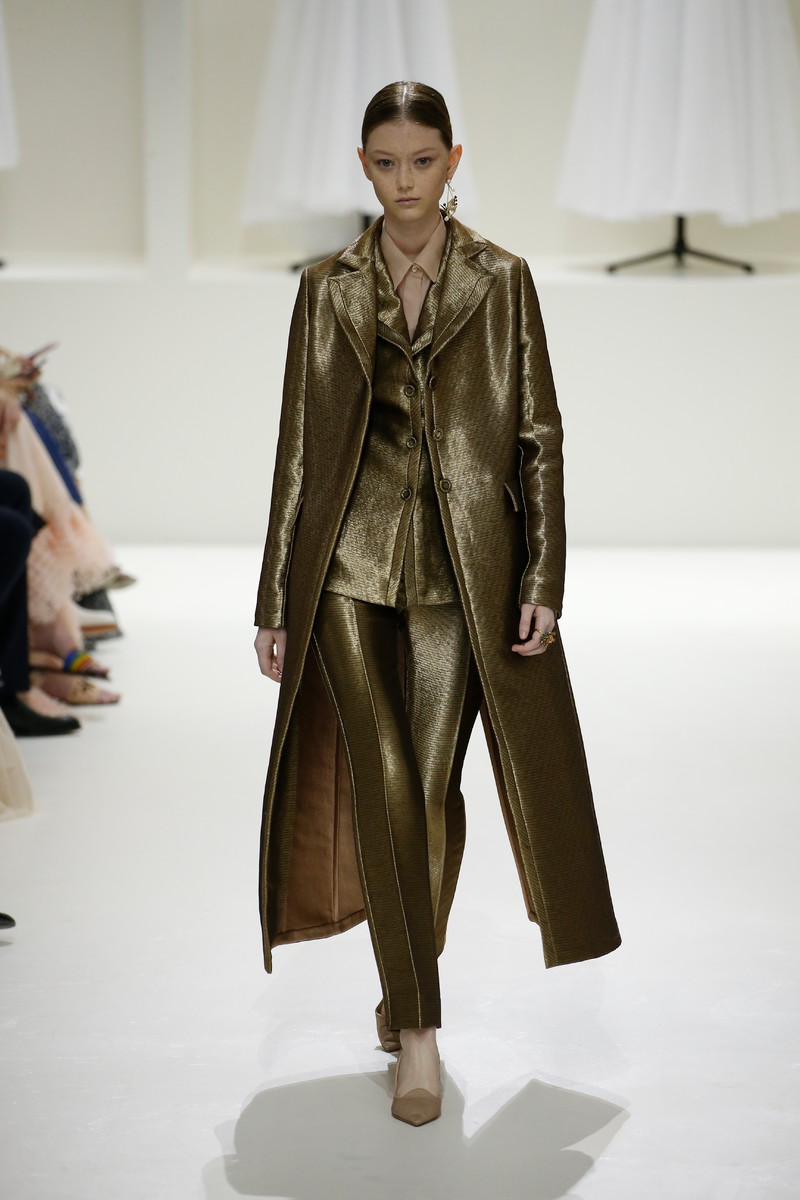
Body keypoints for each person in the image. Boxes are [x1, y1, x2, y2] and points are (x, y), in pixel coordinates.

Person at [254, 81, 621, 1127]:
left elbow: (539, 437)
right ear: (362, 165)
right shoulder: (326, 288)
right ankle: (418, 1027)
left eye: (422, 162)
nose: (404, 182)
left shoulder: (500, 280)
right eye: (386, 163)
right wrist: (274, 594)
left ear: (453, 161)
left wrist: (541, 578)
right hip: (346, 567)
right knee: (381, 781)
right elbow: (295, 449)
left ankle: (403, 971)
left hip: (465, 575)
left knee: (427, 792)